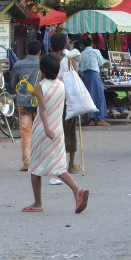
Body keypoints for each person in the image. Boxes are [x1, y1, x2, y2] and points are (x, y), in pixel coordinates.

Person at [25, 52, 89, 214]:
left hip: (43, 130)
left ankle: (38, 203)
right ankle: (77, 190)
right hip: (58, 129)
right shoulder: (61, 85)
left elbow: (43, 109)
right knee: (59, 167)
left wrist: (46, 128)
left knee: (35, 167)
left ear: (42, 70)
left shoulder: (41, 86)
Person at [49, 32, 78, 175]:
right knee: (70, 132)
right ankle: (71, 165)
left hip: (53, 100)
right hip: (67, 99)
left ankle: (55, 164)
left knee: (55, 131)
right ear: (65, 45)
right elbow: (76, 76)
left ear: (51, 45)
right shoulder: (69, 60)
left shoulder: (49, 59)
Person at [11, 39, 43, 172]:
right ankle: (40, 160)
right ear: (39, 52)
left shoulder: (18, 65)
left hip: (23, 103)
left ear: (26, 50)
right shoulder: (42, 64)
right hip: (39, 102)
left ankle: (27, 163)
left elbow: (14, 84)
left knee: (25, 133)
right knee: (40, 132)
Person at [76, 40, 110, 126]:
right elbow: (101, 62)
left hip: (86, 76)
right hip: (94, 75)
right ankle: (100, 119)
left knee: (88, 97)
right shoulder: (96, 51)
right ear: (92, 44)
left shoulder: (82, 54)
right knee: (99, 96)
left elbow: (78, 68)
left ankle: (90, 119)